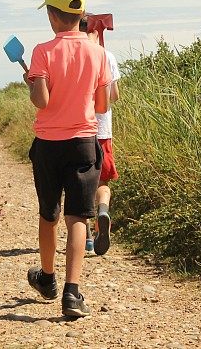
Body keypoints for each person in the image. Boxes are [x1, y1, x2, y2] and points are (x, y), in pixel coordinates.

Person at [24, 0, 111, 318]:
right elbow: (102, 104)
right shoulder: (98, 53)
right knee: (79, 216)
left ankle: (47, 279)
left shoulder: (42, 52)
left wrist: (33, 84)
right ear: (81, 16)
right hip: (84, 143)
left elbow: (41, 101)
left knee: (50, 214)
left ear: (51, 15)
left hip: (48, 145)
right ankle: (72, 294)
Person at [80, 15, 120, 256]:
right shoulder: (108, 56)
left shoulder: (74, 53)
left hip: (78, 130)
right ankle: (102, 212)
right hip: (103, 132)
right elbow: (114, 95)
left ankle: (86, 239)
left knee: (78, 186)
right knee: (102, 184)